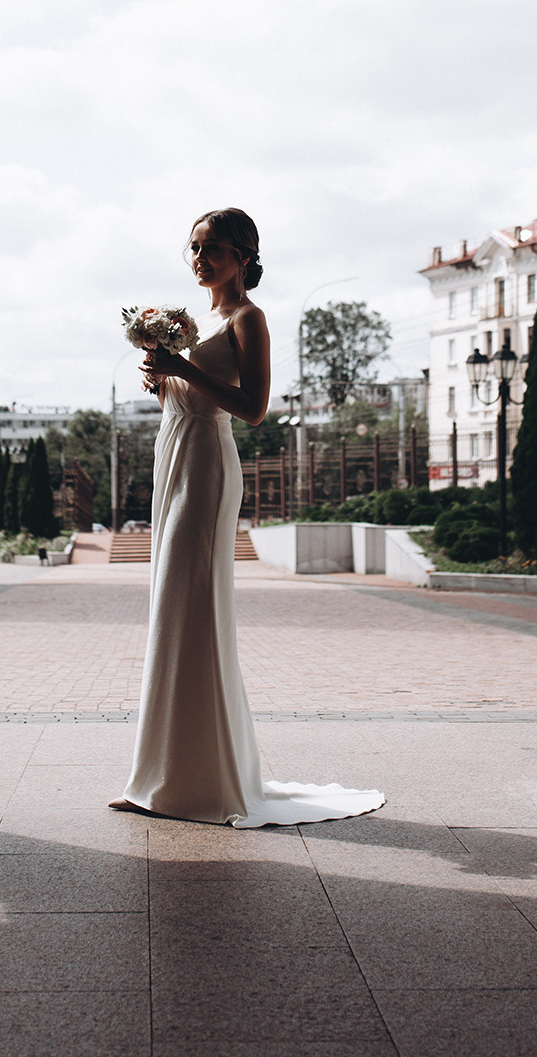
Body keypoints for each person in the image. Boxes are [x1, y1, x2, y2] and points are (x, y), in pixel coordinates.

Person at [109, 208, 384, 826]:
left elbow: (255, 408)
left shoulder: (247, 318)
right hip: (173, 452)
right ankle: (158, 775)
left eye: (213, 249)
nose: (200, 259)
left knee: (193, 605)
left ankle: (196, 782)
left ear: (244, 257)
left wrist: (183, 370)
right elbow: (186, 390)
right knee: (171, 606)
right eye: (194, 248)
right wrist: (163, 382)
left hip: (208, 460)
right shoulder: (194, 320)